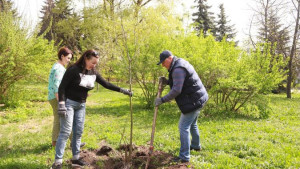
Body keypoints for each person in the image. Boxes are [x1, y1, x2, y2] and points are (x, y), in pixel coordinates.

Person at [51, 49, 132, 169]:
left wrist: (123, 90)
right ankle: (57, 162)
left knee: (78, 132)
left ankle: (75, 159)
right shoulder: (73, 70)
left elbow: (106, 84)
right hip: (69, 104)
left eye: (96, 63)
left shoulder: (93, 72)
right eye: (93, 62)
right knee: (66, 131)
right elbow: (62, 87)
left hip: (81, 105)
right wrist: (62, 104)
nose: (94, 65)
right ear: (86, 59)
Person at [155, 50, 208, 163]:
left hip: (193, 101)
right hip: (199, 97)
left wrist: (162, 100)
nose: (163, 65)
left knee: (183, 126)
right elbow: (182, 82)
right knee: (192, 123)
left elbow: (177, 90)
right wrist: (169, 82)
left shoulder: (178, 69)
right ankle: (196, 146)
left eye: (164, 62)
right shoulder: (179, 63)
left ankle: (184, 157)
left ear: (170, 58)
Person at [48, 47, 73, 147]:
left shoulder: (58, 66)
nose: (69, 60)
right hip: (56, 97)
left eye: (70, 58)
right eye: (68, 58)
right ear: (62, 56)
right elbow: (56, 85)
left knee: (62, 119)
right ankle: (56, 143)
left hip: (55, 97)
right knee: (62, 119)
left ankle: (73, 141)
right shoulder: (58, 68)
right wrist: (60, 100)